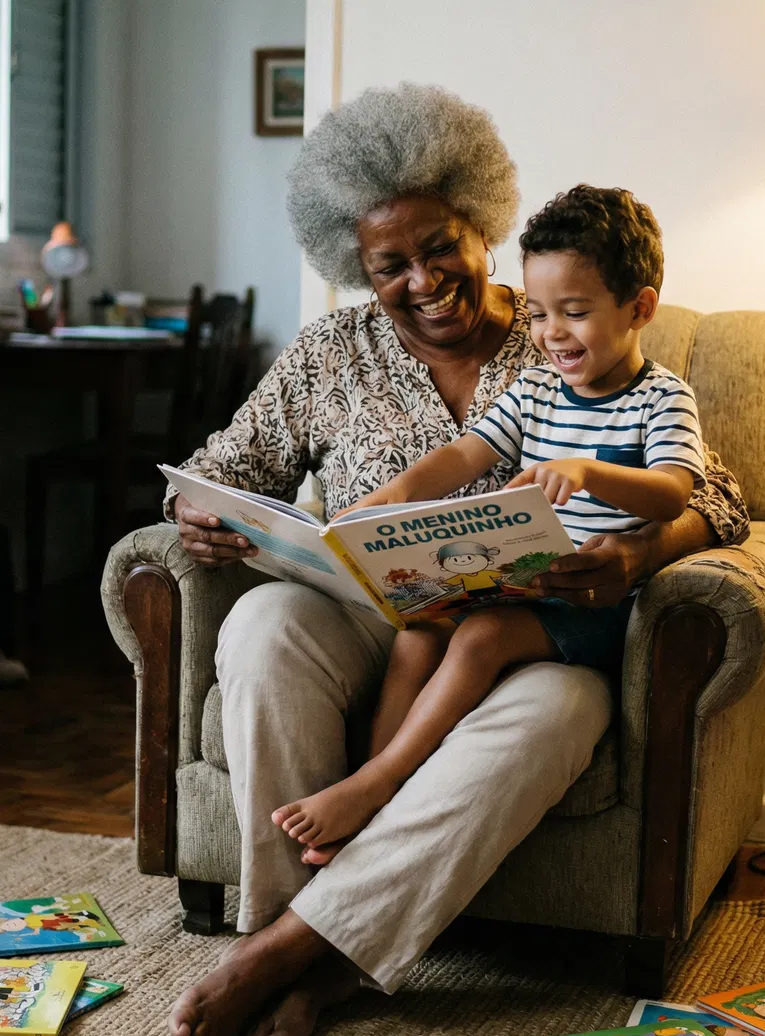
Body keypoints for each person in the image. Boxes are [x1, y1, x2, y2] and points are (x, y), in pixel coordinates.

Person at [163, 83, 750, 1036]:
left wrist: (638, 552)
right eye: (389, 264)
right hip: (366, 610)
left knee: (559, 713)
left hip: (530, 630)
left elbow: (718, 497)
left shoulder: (564, 341)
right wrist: (201, 514)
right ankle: (284, 928)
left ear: (483, 230)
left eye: (442, 247)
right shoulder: (328, 354)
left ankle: (307, 953)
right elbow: (227, 469)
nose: (423, 278)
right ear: (358, 266)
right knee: (259, 628)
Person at [270, 184, 707, 857]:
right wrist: (385, 501)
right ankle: (370, 800)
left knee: (477, 639)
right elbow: (463, 455)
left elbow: (676, 492)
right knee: (420, 632)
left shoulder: (661, 398)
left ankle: (377, 785)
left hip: (597, 604)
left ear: (639, 308)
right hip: (527, 583)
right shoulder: (533, 389)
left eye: (576, 312)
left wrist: (591, 472)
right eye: (538, 314)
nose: (552, 333)